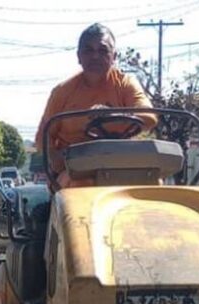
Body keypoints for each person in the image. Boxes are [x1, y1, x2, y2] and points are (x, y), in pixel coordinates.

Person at [35, 24, 155, 189]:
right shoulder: (62, 92)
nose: (95, 56)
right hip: (76, 168)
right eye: (88, 50)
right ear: (79, 56)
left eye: (103, 50)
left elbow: (150, 117)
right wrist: (56, 158)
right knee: (82, 186)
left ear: (114, 56)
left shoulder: (126, 84)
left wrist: (110, 115)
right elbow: (43, 137)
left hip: (120, 164)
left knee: (154, 184)